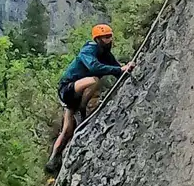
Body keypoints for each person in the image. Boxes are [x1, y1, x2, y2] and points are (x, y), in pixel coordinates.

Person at [45, 23, 133, 174]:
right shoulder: (89, 50)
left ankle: (53, 159)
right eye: (106, 37)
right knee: (94, 80)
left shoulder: (106, 54)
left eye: (110, 36)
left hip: (74, 93)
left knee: (67, 130)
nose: (109, 40)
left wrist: (127, 68)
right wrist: (119, 69)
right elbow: (94, 67)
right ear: (98, 39)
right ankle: (82, 108)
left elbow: (118, 70)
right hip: (67, 89)